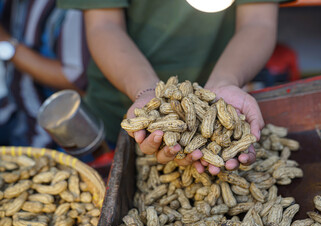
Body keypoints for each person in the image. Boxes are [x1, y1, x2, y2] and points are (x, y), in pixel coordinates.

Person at [58, 0, 290, 174]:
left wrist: (225, 81)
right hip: (117, 107)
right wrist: (147, 92)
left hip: (214, 91)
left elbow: (258, 21)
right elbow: (104, 26)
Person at [0, 0, 89, 147]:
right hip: (13, 109)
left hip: (55, 130)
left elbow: (76, 80)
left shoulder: (73, 9)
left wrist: (7, 44)